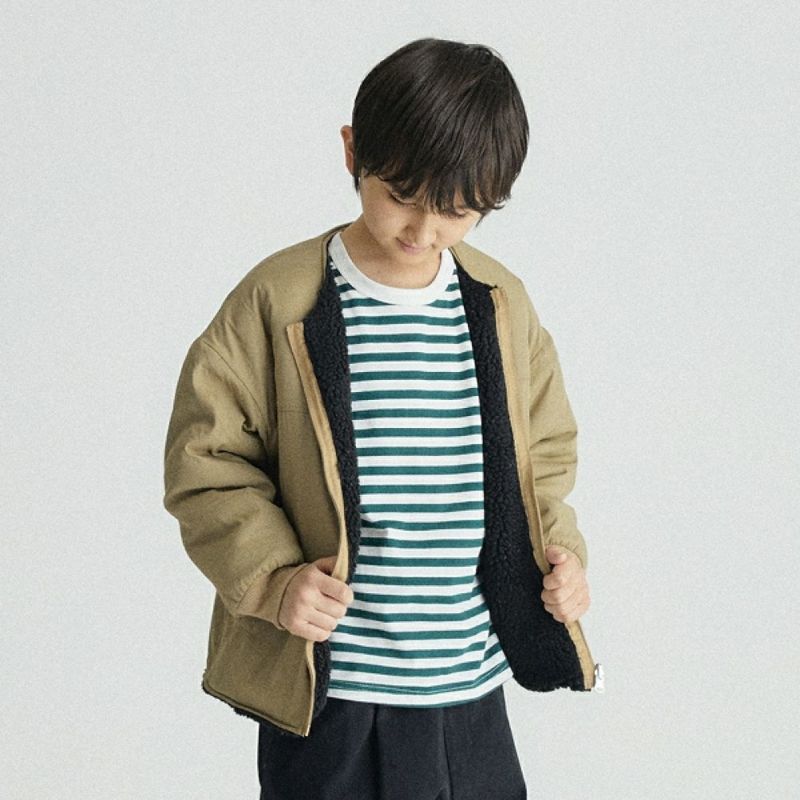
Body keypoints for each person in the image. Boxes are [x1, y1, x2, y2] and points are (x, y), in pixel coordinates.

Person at [163, 36, 602, 800]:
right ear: (352, 152)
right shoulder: (280, 299)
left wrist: (563, 557)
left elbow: (545, 455)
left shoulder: (500, 304)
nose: (422, 230)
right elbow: (207, 459)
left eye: (457, 211)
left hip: (469, 687)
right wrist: (274, 580)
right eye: (401, 194)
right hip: (333, 692)